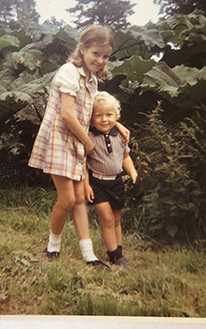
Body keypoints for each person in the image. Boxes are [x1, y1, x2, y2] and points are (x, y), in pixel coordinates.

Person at [28, 25, 129, 268]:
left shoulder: (92, 81)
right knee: (67, 200)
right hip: (60, 141)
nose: (100, 60)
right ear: (82, 49)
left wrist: (120, 126)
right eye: (96, 53)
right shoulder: (69, 72)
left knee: (81, 198)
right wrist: (87, 142)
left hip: (76, 142)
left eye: (105, 56)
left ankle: (89, 255)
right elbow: (66, 115)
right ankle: (53, 244)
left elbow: (98, 110)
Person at [85, 91, 145, 266]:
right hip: (97, 183)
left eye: (109, 115)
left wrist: (133, 174)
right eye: (99, 115)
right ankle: (113, 255)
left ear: (116, 116)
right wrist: (86, 184)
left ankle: (119, 251)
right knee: (107, 219)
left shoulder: (120, 135)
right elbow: (82, 163)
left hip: (116, 182)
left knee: (117, 220)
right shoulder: (88, 137)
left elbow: (125, 157)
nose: (104, 119)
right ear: (91, 118)